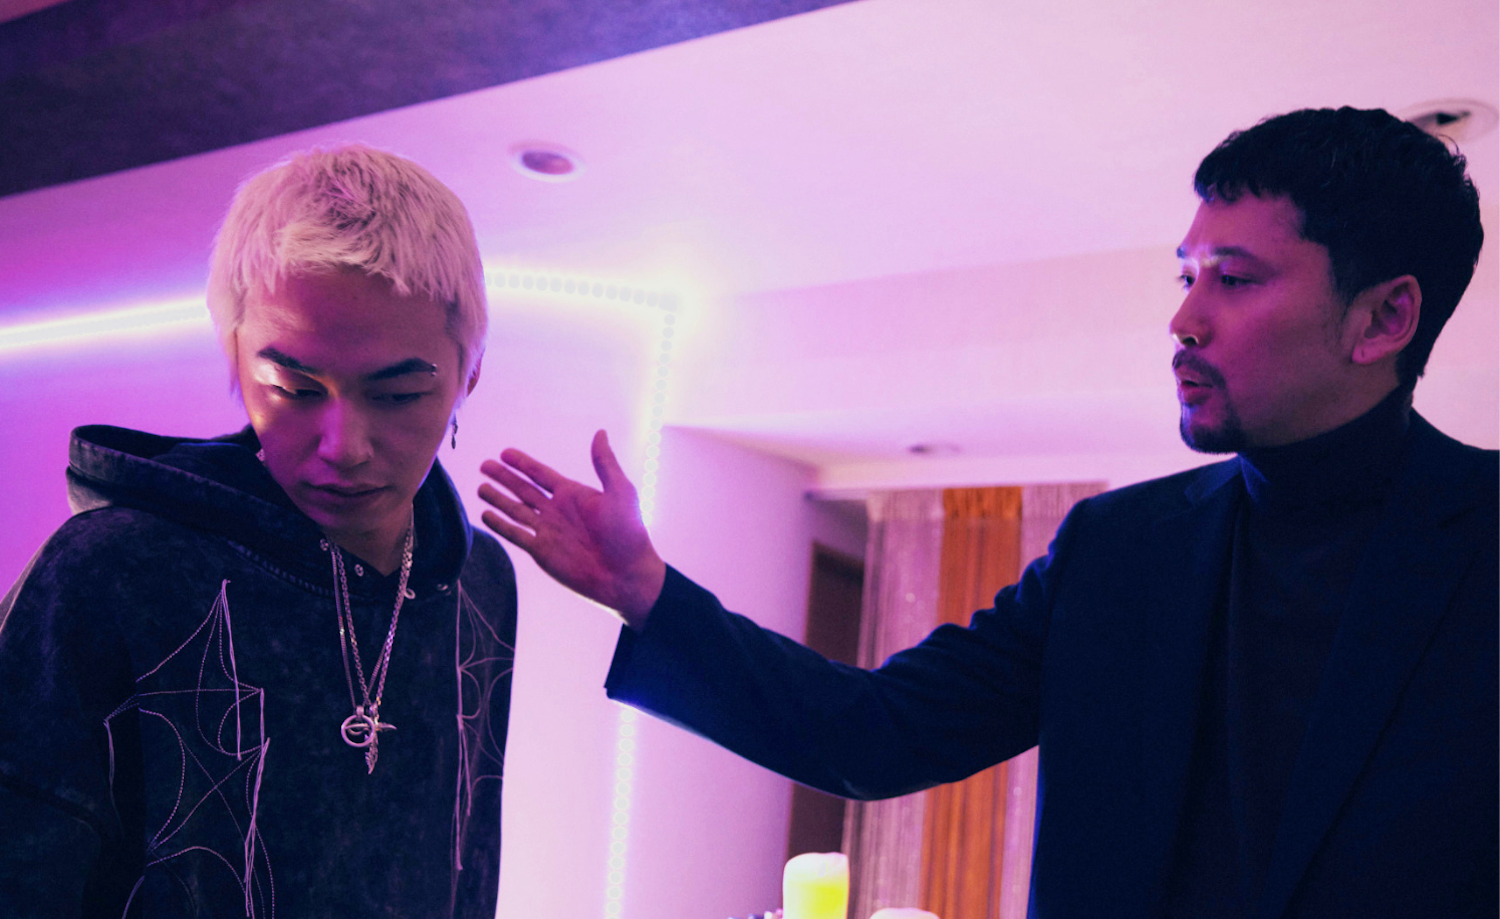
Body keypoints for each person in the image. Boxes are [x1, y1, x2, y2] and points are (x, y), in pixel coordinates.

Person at [477, 107, 1496, 918]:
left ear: (1384, 317)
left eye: (1234, 279)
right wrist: (649, 592)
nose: (1184, 318)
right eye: (1187, 276)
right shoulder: (1118, 550)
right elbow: (873, 734)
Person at [0, 145, 517, 917]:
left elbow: (465, 865)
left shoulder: (479, 580)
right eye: (294, 387)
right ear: (235, 358)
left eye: (399, 394)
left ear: (469, 373)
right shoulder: (108, 571)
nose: (344, 445)